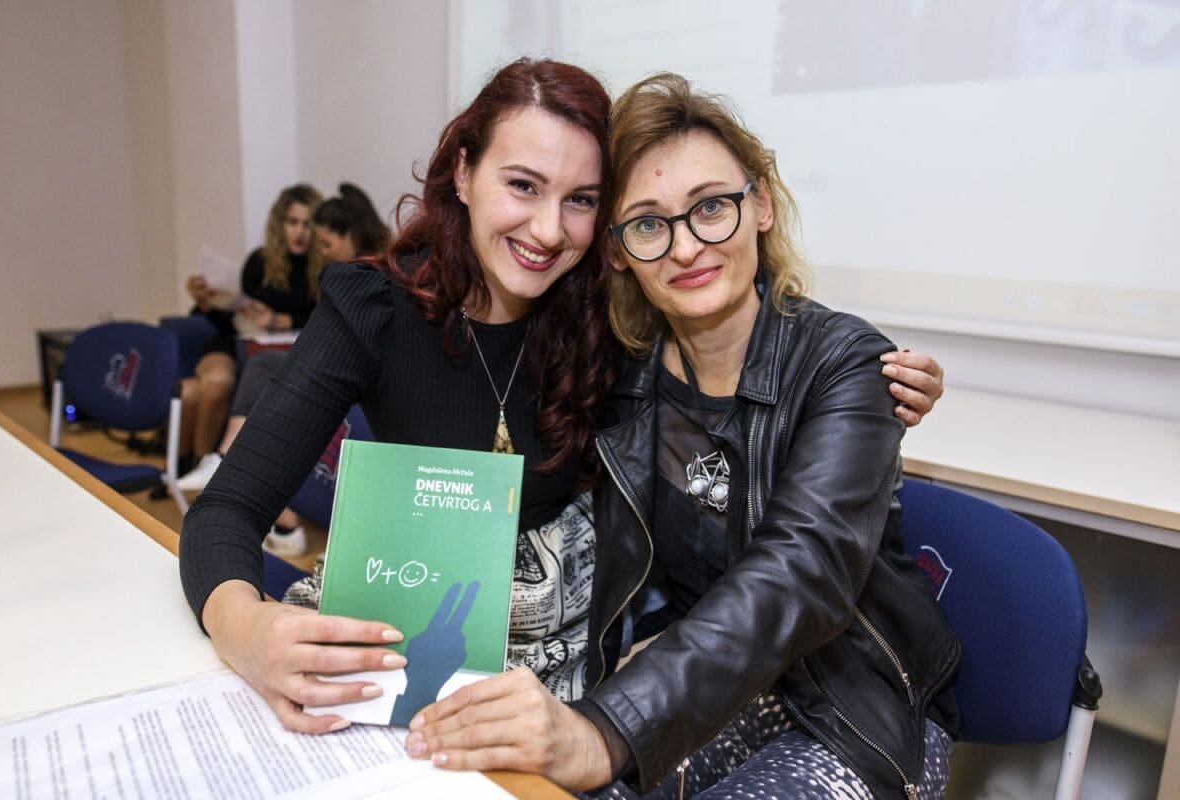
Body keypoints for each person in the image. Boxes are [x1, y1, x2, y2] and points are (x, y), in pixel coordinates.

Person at [177, 58, 945, 781]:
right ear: (463, 172)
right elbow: (229, 505)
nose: (549, 231)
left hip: (707, 687)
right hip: (453, 636)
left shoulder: (619, 329)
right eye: (523, 185)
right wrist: (247, 631)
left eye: (580, 201)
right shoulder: (401, 311)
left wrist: (861, 395)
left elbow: (790, 551)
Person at [404, 73, 960, 799]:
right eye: (648, 223)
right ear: (617, 250)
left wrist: (607, 727)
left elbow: (803, 569)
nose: (687, 247)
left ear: (761, 203)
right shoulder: (623, 378)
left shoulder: (846, 367)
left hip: (848, 706)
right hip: (698, 686)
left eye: (711, 207)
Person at [177, 182, 393, 557]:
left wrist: (283, 323)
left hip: (357, 370)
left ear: (349, 236)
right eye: (294, 224)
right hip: (333, 361)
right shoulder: (361, 269)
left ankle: (229, 465)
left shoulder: (364, 274)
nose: (320, 249)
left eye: (325, 242)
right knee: (267, 371)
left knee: (269, 371)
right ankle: (264, 500)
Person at [177, 184, 325, 490]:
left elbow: (325, 316)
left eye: (307, 223)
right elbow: (230, 314)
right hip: (237, 339)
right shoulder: (260, 261)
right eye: (292, 222)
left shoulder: (325, 267)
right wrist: (205, 302)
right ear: (279, 224)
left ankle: (202, 473)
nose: (300, 232)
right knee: (214, 382)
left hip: (283, 349)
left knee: (200, 388)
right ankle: (194, 470)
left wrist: (280, 320)